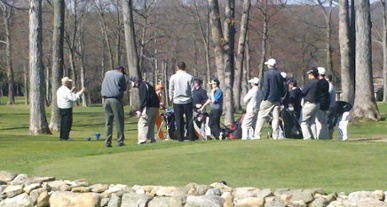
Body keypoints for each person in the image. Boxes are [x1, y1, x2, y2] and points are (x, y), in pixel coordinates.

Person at [254, 58, 285, 140]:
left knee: (261, 116)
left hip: (269, 98)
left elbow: (266, 87)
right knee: (275, 118)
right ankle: (275, 135)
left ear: (270, 65)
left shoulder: (267, 74)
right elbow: (282, 88)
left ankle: (257, 135)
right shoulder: (279, 74)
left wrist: (264, 97)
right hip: (277, 99)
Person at [169, 62, 196, 142]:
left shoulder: (173, 77)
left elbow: (171, 89)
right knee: (189, 120)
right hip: (187, 100)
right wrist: (192, 98)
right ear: (185, 67)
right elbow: (192, 90)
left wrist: (171, 98)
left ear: (177, 67)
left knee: (178, 120)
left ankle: (180, 138)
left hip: (177, 101)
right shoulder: (189, 77)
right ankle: (191, 137)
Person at [101, 65, 127, 147]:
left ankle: (107, 142)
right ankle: (120, 141)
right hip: (115, 100)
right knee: (119, 121)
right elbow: (124, 87)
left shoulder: (107, 73)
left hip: (106, 100)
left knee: (108, 122)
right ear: (120, 70)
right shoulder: (120, 75)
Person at [131, 77, 160, 144]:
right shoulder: (145, 84)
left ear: (136, 82)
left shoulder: (142, 86)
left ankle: (142, 140)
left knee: (142, 122)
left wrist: (140, 110)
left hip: (151, 106)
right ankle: (151, 139)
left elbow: (144, 99)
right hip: (155, 105)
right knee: (151, 123)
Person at [301, 67, 321, 140]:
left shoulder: (310, 83)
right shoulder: (319, 82)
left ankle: (307, 136)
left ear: (312, 74)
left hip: (309, 104)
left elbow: (303, 92)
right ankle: (314, 137)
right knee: (312, 121)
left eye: (309, 74)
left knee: (303, 121)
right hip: (317, 104)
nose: (308, 76)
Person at [316, 67, 330, 140]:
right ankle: (326, 136)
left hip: (321, 104)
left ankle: (321, 137)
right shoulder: (326, 82)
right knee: (324, 123)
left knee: (319, 123)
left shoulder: (319, 83)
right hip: (326, 105)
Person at [326, 74, 336, 139]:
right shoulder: (332, 86)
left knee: (328, 121)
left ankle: (329, 136)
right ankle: (330, 135)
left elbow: (327, 94)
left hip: (330, 106)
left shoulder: (329, 86)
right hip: (332, 106)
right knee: (330, 122)